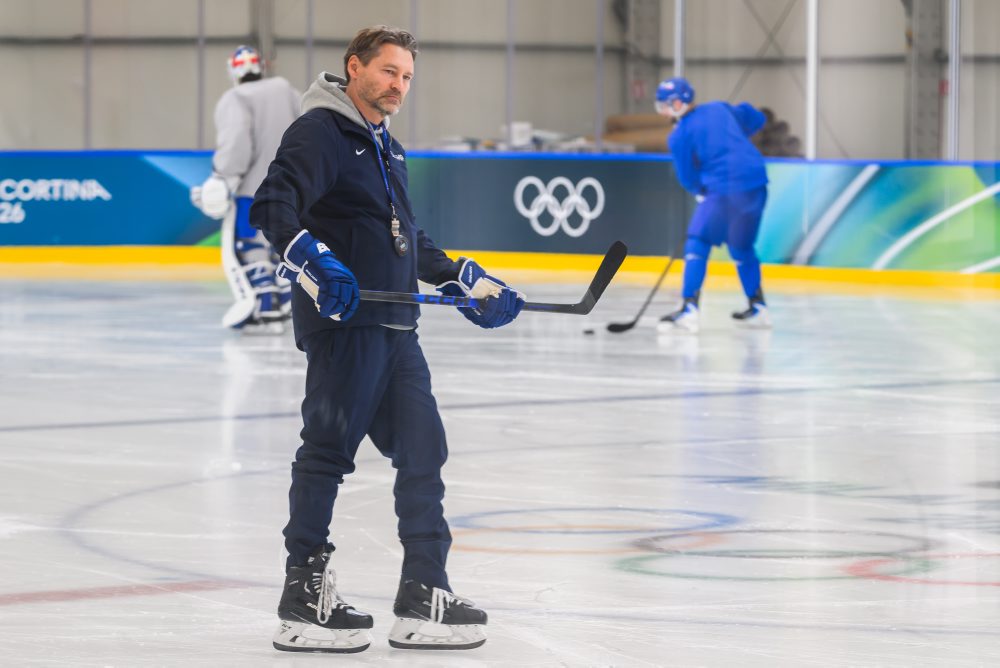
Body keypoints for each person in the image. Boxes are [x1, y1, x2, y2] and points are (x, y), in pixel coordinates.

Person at [249, 26, 525, 653]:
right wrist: (315, 262)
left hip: (399, 329)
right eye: (388, 72)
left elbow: (404, 237)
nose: (398, 85)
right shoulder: (321, 131)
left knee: (425, 451)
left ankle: (424, 593)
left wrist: (462, 278)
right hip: (347, 327)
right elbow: (273, 207)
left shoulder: (386, 148)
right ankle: (304, 599)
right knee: (326, 451)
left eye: (406, 77)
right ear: (355, 68)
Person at [190, 45, 301, 331]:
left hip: (253, 191)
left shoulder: (235, 98)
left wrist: (222, 178)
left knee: (251, 247)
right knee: (286, 246)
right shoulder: (287, 90)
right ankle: (289, 297)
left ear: (233, 70)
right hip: (294, 189)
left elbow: (236, 144)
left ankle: (264, 303)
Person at [654, 77, 772, 333]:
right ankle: (758, 306)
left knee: (697, 241)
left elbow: (687, 176)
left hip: (725, 189)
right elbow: (755, 117)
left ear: (678, 103)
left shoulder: (680, 135)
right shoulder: (720, 108)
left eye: (665, 105)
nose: (663, 112)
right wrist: (734, 136)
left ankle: (689, 309)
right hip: (757, 183)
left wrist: (700, 191)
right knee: (741, 247)